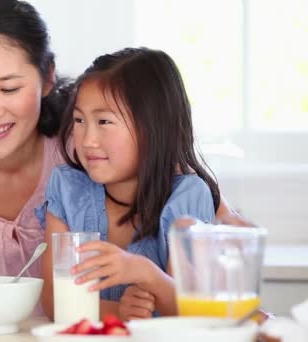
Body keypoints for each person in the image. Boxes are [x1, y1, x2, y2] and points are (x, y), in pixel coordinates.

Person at [0, 0, 239, 314]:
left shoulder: (83, 145)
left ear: (47, 77)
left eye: (9, 88)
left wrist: (226, 224)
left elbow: (177, 178)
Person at [37, 47, 221, 321]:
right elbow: (55, 302)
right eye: (79, 120)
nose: (88, 140)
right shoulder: (67, 189)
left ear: (154, 127)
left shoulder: (186, 199)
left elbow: (195, 314)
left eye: (104, 121)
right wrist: (120, 312)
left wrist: (145, 273)